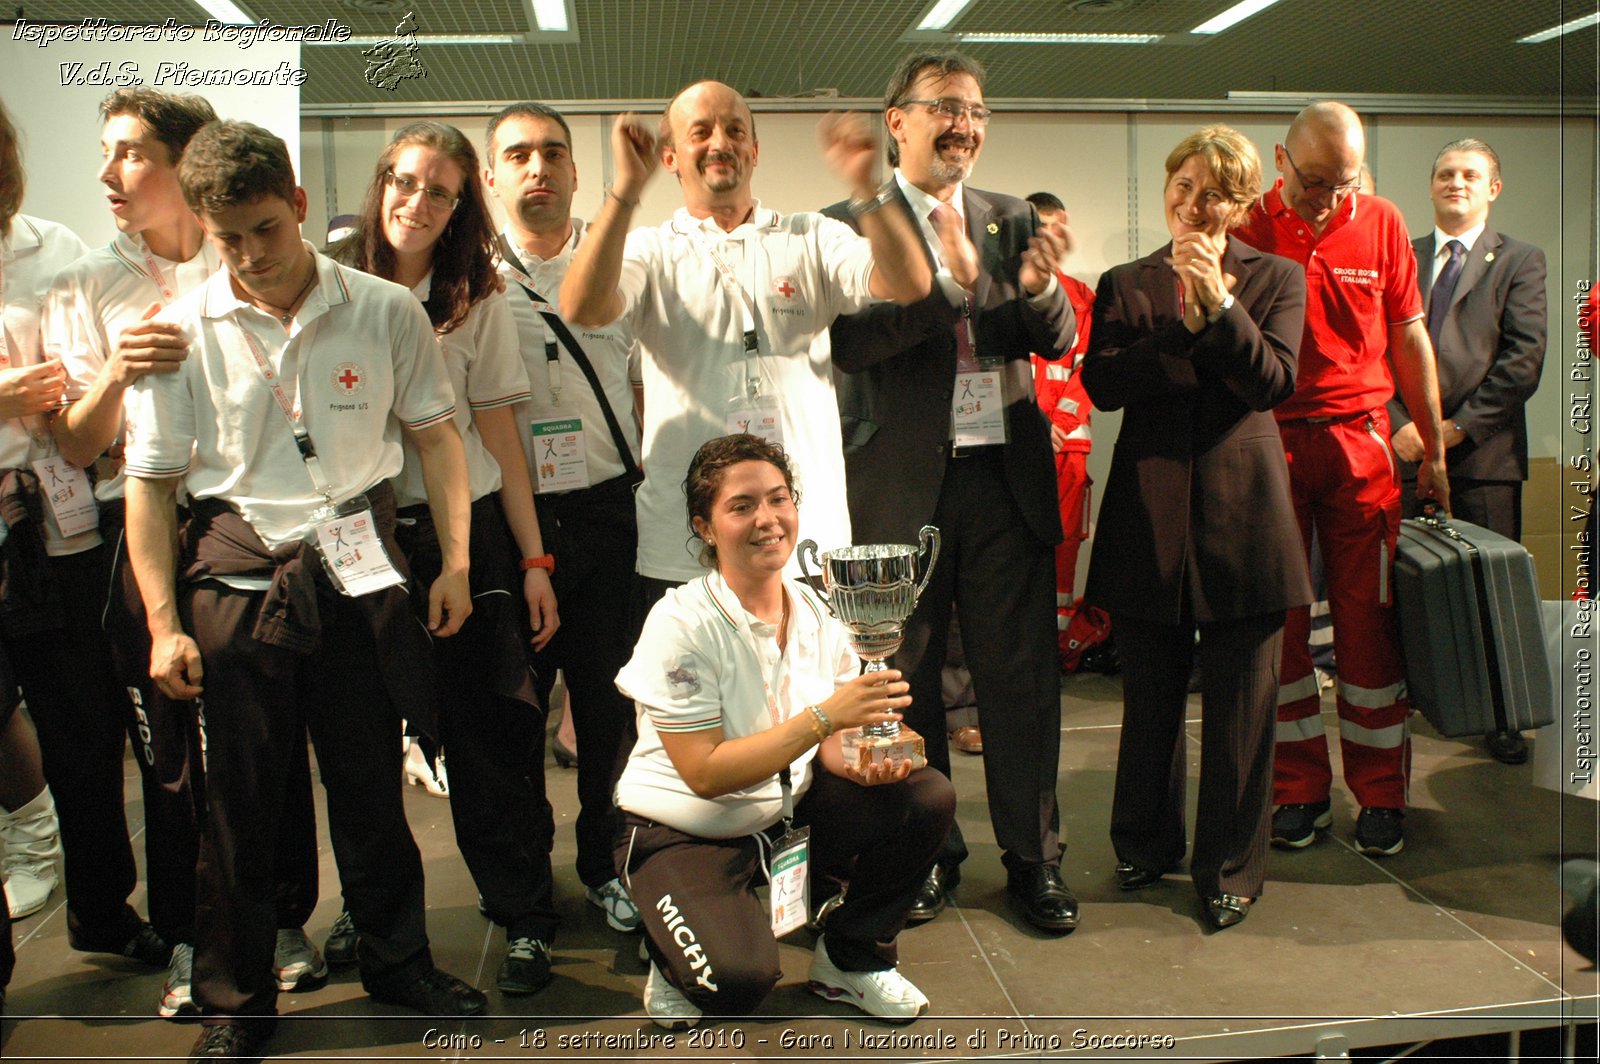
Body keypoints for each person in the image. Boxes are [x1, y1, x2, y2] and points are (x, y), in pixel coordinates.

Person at [121, 119, 486, 1061]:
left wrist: (454, 562)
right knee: (238, 809)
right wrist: (164, 625)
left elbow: (439, 440)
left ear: (298, 206)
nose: (247, 256)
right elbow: (152, 488)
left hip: (360, 579)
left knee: (370, 791)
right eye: (226, 238)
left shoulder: (383, 311)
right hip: (238, 586)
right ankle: (235, 1003)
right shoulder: (179, 335)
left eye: (263, 231)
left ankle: (398, 963)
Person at [45, 87, 323, 1018]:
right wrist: (125, 369)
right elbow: (79, 445)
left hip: (252, 527)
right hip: (149, 527)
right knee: (175, 749)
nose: (108, 173)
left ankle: (281, 920)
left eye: (129, 153)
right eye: (106, 152)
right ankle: (187, 934)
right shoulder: (90, 279)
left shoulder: (254, 246)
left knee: (270, 739)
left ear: (187, 164)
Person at [825, 51, 1078, 932]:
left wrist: (1036, 289)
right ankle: (926, 855)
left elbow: (1053, 335)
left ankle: (1033, 860)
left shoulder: (1012, 219)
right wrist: (947, 286)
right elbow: (850, 348)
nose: (963, 124)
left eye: (975, 109)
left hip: (1004, 483)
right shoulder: (846, 223)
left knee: (1022, 687)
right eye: (944, 107)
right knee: (910, 685)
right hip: (900, 490)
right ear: (897, 121)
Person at [331, 120, 567, 994]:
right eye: (404, 180)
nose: (416, 202)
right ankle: (370, 904)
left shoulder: (478, 296)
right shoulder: (329, 286)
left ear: (462, 204)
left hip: (462, 529)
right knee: (358, 736)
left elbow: (500, 431)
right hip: (361, 534)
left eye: (439, 190)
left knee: (490, 733)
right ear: (380, 181)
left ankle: (524, 914)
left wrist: (533, 563)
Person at [613, 433, 954, 1029]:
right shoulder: (680, 622)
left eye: (778, 499)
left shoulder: (821, 608)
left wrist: (866, 758)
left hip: (782, 816)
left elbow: (828, 739)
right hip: (686, 829)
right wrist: (827, 717)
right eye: (741, 506)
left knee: (925, 797)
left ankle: (852, 958)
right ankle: (671, 953)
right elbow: (706, 772)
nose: (767, 519)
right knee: (739, 983)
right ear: (705, 525)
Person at [558, 80, 931, 617]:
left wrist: (866, 189)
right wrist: (625, 190)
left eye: (735, 130)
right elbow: (582, 308)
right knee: (698, 699)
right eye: (700, 132)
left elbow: (909, 281)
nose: (720, 142)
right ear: (671, 157)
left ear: (754, 151)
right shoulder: (652, 249)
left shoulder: (811, 235)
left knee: (815, 699)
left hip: (807, 536)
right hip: (687, 541)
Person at [1080, 126, 1310, 931]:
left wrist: (1221, 310)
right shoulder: (1125, 281)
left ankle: (1231, 871)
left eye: (1212, 192)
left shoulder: (1278, 278)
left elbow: (1271, 382)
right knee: (1148, 700)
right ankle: (1144, 843)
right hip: (1149, 516)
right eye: (1182, 186)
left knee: (1245, 709)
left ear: (1240, 204)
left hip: (1245, 520)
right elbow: (1104, 384)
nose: (1191, 203)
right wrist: (1186, 332)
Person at [1233, 101, 1450, 859]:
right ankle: (1298, 790)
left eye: (1343, 183)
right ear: (1281, 160)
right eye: (1314, 181)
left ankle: (1382, 794)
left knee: (1370, 629)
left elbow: (1408, 332)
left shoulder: (1382, 222)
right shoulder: (1245, 226)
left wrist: (1433, 441)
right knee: (1283, 630)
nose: (1327, 198)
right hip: (1272, 444)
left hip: (1361, 446)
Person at [0, 98, 177, 973]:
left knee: (82, 731)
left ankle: (102, 910)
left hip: (56, 527)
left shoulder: (57, 252)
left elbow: (83, 415)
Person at [483, 101, 644, 934]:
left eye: (553, 153)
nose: (537, 168)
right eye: (518, 155)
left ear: (577, 172)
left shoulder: (618, 261)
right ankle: (524, 895)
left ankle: (607, 864)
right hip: (509, 521)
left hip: (610, 512)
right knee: (513, 715)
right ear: (492, 176)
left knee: (610, 709)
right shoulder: (471, 277)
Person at [1389, 137, 1548, 765]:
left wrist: (1448, 433)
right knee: (1401, 586)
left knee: (1490, 594)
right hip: (1401, 448)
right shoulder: (1403, 254)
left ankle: (1501, 716)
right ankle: (1404, 698)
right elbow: (1378, 348)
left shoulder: (1521, 260)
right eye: (1446, 174)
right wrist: (1405, 427)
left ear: (1493, 189)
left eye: (1470, 175)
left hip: (1483, 455)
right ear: (1431, 186)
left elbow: (1521, 363)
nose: (1457, 182)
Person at [1024, 190, 1098, 669]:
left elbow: (1089, 368)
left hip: (1067, 449)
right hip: (1017, 444)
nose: (1047, 239)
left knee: (1063, 550)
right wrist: (1033, 422)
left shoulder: (1083, 297)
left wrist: (1059, 422)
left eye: (1054, 228)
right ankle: (1021, 648)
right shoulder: (1009, 290)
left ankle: (1056, 652)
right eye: (1038, 230)